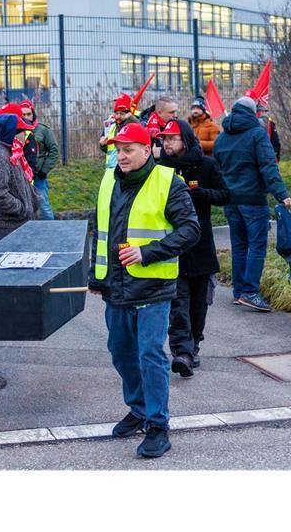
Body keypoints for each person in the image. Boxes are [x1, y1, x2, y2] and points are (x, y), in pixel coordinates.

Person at [90, 121, 200, 459]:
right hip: (117, 287)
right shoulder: (109, 179)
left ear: (146, 149)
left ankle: (157, 425)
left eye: (127, 150)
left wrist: (147, 253)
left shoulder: (169, 183)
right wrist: (97, 277)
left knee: (150, 355)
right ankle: (138, 409)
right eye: (117, 150)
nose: (121, 156)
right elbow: (101, 229)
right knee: (120, 353)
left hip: (153, 286)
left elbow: (190, 230)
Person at [156, 119, 230, 377]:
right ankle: (181, 352)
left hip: (200, 246)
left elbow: (225, 195)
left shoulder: (206, 165)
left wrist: (203, 195)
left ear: (185, 140)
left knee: (199, 304)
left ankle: (194, 345)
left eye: (172, 139)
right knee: (178, 303)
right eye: (164, 139)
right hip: (173, 248)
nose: (166, 143)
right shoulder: (159, 169)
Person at [212, 96, 291, 312]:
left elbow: (216, 168)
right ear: (252, 112)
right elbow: (268, 166)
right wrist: (281, 193)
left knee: (239, 246)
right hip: (253, 200)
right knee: (257, 246)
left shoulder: (221, 138)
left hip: (231, 200)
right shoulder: (257, 134)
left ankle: (239, 292)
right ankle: (250, 292)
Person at [0, 112, 41, 245]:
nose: (25, 137)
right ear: (12, 134)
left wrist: (34, 200)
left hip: (18, 224)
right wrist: (23, 209)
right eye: (23, 133)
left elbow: (22, 184)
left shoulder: (14, 153)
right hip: (8, 229)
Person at [22, 99, 59, 220]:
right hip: (21, 176)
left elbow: (54, 150)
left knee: (43, 207)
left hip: (38, 176)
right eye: (23, 114)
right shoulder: (16, 130)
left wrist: (44, 170)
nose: (26, 117)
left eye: (29, 114)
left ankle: (52, 233)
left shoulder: (43, 130)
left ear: (33, 114)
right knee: (24, 208)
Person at [100, 93, 137, 169]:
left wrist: (129, 119)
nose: (118, 116)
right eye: (116, 113)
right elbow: (109, 150)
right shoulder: (112, 126)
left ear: (128, 114)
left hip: (125, 169)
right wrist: (103, 145)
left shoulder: (133, 125)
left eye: (121, 114)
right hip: (110, 170)